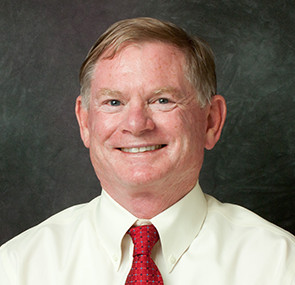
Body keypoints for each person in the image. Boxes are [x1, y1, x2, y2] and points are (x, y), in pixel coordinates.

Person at [0, 17, 294, 284]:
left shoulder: (279, 265)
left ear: (211, 121)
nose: (137, 124)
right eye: (114, 102)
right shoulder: (18, 268)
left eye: (162, 100)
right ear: (85, 122)